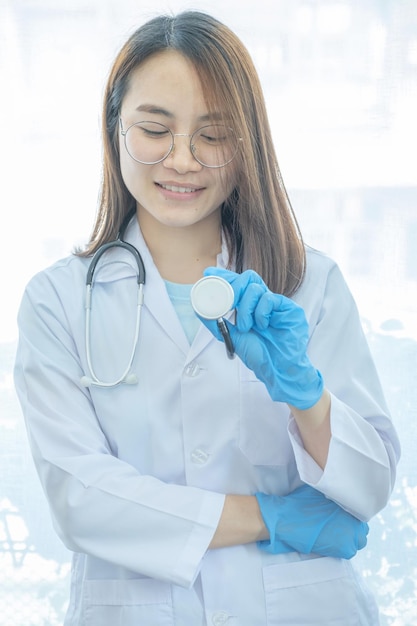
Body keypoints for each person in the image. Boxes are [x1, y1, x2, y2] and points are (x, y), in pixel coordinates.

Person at [14, 10, 400, 626]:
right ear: (115, 128)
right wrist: (271, 519)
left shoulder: (309, 284)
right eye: (155, 130)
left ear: (247, 141)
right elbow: (80, 500)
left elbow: (369, 488)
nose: (183, 160)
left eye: (214, 135)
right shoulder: (59, 301)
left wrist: (306, 396)